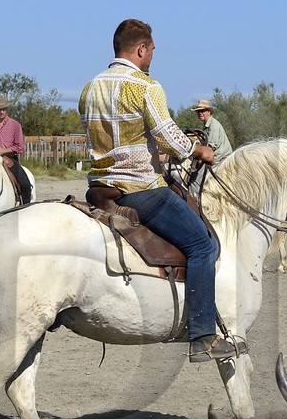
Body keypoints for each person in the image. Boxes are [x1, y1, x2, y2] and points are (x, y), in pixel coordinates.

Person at [80, 19, 234, 363]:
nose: (152, 56)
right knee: (202, 244)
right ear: (140, 49)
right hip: (139, 189)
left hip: (99, 188)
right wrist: (199, 150)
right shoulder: (145, 86)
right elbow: (167, 135)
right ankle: (203, 336)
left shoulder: (89, 88)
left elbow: (114, 138)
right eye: (151, 50)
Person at [0, 95, 33, 204]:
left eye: (4, 109)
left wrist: (1, 151)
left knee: (26, 185)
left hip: (10, 160)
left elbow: (20, 147)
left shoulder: (15, 125)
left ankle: (25, 208)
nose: (2, 112)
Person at [192, 99, 234, 164]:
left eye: (202, 111)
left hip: (222, 160)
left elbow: (211, 147)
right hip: (217, 158)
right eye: (198, 111)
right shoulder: (207, 126)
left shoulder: (213, 125)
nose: (200, 113)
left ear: (209, 112)